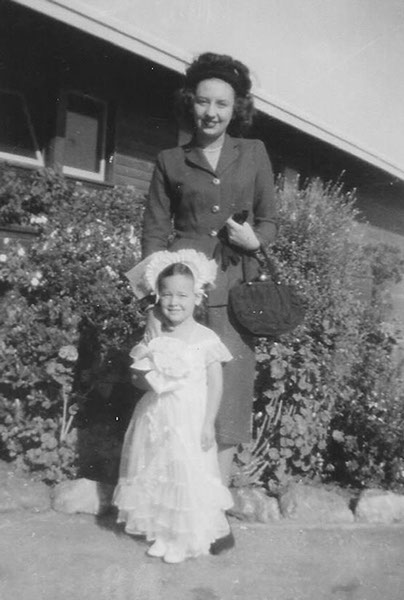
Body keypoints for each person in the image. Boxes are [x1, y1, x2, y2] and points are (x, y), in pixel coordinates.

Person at [127, 51, 277, 551]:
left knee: (228, 402)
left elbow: (271, 220)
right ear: (190, 103)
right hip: (182, 299)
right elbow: (153, 233)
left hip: (235, 295)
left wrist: (255, 240)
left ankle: (214, 514)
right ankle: (175, 510)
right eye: (203, 102)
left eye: (222, 104)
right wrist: (154, 303)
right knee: (179, 403)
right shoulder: (170, 161)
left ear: (237, 109)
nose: (211, 112)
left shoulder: (253, 153)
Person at [114, 249, 234, 564]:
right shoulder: (154, 335)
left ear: (197, 297)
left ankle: (183, 538)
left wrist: (208, 422)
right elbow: (138, 376)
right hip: (156, 415)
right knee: (158, 471)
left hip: (190, 418)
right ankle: (162, 532)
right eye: (166, 294)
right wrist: (146, 374)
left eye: (182, 295)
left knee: (185, 474)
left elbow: (216, 384)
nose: (174, 302)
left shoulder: (206, 338)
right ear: (157, 297)